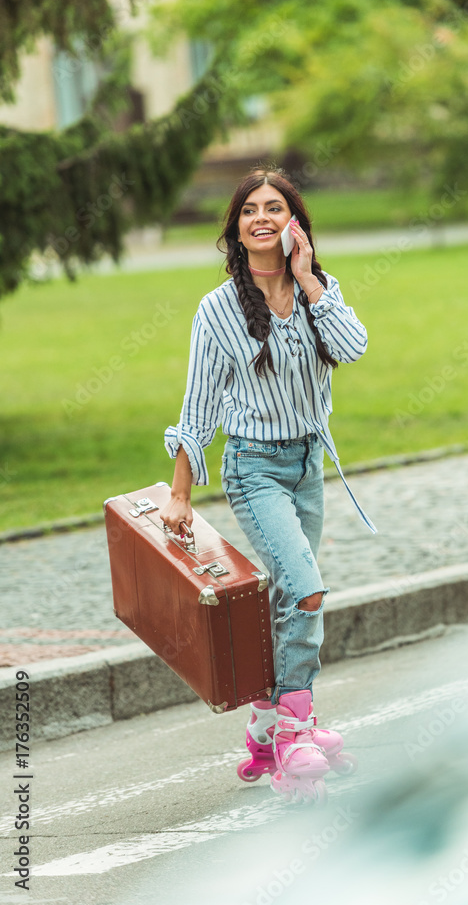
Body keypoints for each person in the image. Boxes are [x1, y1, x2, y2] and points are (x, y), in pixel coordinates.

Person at [160, 167, 375, 804]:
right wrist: (180, 491)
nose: (261, 217)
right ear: (236, 229)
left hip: (309, 466)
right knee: (306, 590)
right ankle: (294, 731)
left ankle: (268, 722)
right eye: (249, 209)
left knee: (288, 591)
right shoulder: (218, 309)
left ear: (293, 223)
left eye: (274, 208)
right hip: (254, 468)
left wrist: (309, 280)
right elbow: (198, 406)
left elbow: (355, 346)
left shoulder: (318, 290)